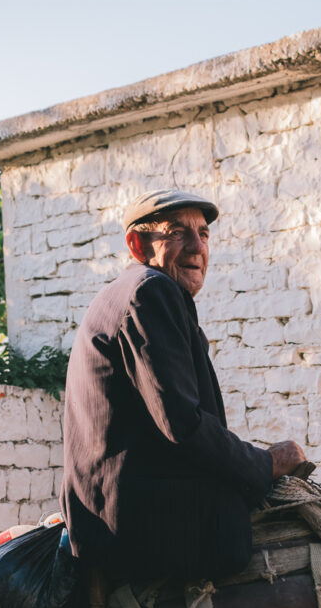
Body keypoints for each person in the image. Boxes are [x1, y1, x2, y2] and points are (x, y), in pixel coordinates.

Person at [60, 188, 306, 583]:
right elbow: (182, 423)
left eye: (204, 234)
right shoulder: (150, 292)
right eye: (177, 233)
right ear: (138, 244)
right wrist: (263, 464)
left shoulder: (135, 292)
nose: (196, 247)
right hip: (131, 526)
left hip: (105, 514)